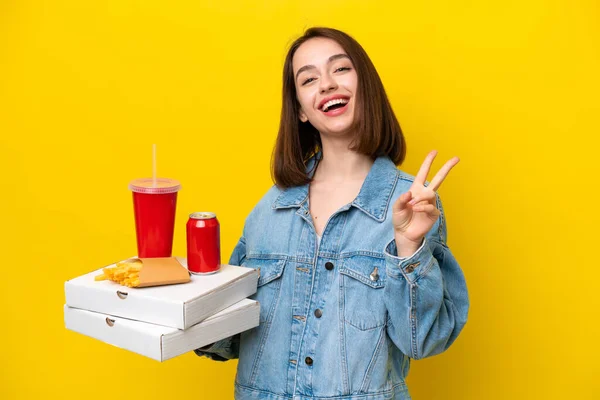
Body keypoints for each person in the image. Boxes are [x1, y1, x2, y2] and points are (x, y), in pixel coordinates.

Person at [195, 26, 469, 400]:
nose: (325, 84)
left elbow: (422, 340)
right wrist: (181, 305)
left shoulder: (412, 205)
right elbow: (229, 336)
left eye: (340, 69)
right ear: (301, 111)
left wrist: (408, 249)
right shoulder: (269, 209)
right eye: (308, 79)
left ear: (366, 86)